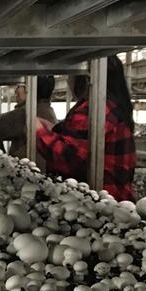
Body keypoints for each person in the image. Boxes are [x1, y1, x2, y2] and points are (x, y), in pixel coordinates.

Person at [36, 55, 137, 200]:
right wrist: (51, 128)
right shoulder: (111, 105)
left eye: (70, 75)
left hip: (101, 203)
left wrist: (38, 131)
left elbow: (68, 159)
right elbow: (82, 141)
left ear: (85, 78)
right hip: (116, 200)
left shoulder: (95, 109)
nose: (68, 81)